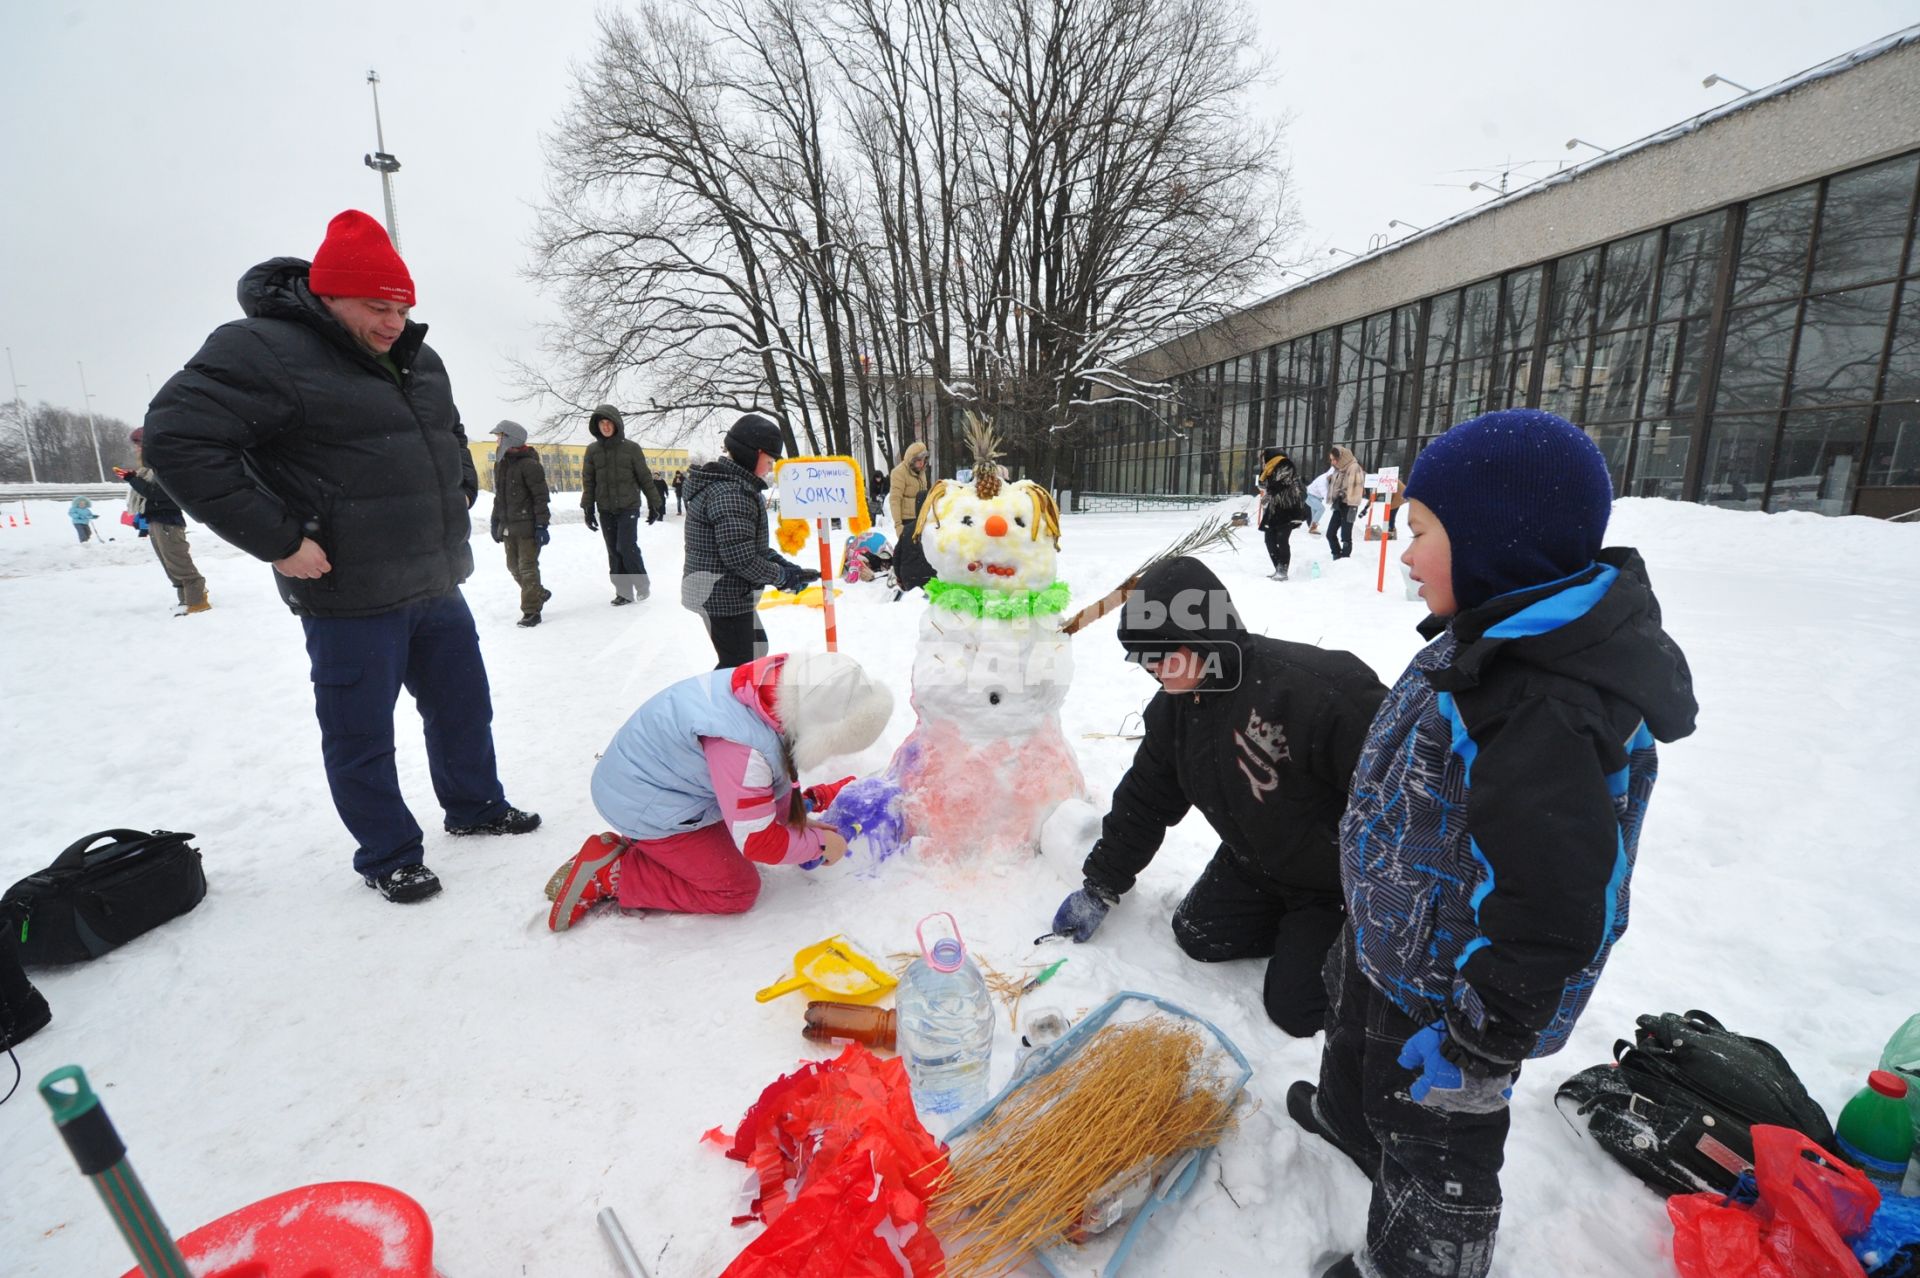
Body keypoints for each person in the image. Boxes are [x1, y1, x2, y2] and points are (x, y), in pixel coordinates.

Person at [1293, 409, 1697, 1278]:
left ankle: (1423, 1258)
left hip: (1461, 985)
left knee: (1438, 1134)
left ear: (1493, 545)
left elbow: (1554, 900)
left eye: (1421, 532)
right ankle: (1348, 1123)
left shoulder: (1539, 703)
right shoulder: (1491, 635)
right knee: (1357, 1037)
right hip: (1398, 939)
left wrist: (1485, 1032)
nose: (1404, 554)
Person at [142, 209, 540, 905]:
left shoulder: (419, 357)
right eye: (375, 307)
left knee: (463, 708)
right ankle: (390, 851)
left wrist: (460, 491)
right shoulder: (263, 350)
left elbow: (446, 433)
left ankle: (475, 806)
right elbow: (178, 439)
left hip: (435, 578)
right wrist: (281, 541)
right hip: (347, 590)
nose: (393, 322)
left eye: (402, 307)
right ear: (328, 297)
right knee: (361, 733)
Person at [1047, 556, 1386, 1036]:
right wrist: (1101, 883)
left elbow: (1403, 795)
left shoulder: (1314, 692)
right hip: (1255, 863)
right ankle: (1297, 933)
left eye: (1161, 655)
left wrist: (1381, 899)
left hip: (1332, 883)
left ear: (1204, 637)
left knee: (1296, 1008)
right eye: (1142, 659)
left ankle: (1332, 936)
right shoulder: (1176, 709)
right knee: (1197, 936)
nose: (1152, 670)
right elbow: (1146, 798)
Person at [545, 650, 893, 930]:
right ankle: (613, 873)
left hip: (662, 783)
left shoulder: (775, 692)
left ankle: (661, 852)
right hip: (646, 807)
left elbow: (773, 776)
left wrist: (795, 823)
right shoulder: (742, 748)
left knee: (752, 834)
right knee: (736, 888)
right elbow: (758, 842)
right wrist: (818, 843)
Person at [681, 413, 819, 667]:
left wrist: (789, 570)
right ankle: (720, 705)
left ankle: (733, 699)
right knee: (739, 665)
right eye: (769, 460)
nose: (771, 468)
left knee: (756, 649)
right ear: (752, 454)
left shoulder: (735, 486)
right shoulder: (731, 493)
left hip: (725, 591)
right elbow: (741, 559)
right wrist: (782, 577)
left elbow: (753, 548)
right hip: (720, 595)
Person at [116, 427, 210, 615]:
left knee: (178, 561)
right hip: (156, 520)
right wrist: (133, 477)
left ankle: (198, 600)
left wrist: (132, 479)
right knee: (169, 564)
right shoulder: (150, 469)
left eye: (139, 446)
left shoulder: (167, 466)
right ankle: (186, 600)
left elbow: (155, 493)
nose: (137, 450)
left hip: (168, 521)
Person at [580, 404, 663, 605]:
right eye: (602, 423)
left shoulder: (631, 448)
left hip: (628, 506)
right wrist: (588, 508)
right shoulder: (592, 451)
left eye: (609, 422)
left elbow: (644, 478)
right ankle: (623, 592)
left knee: (626, 546)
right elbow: (588, 481)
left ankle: (642, 585)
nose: (606, 427)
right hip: (605, 508)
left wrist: (654, 504)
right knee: (613, 551)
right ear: (596, 426)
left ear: (616, 424)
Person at [488, 420, 551, 628]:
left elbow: (541, 497)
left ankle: (532, 611)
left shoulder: (530, 465)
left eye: (500, 436)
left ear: (511, 439)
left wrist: (541, 525)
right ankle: (538, 593)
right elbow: (499, 497)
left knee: (527, 568)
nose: (497, 440)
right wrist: (495, 520)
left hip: (527, 528)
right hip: (508, 526)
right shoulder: (501, 464)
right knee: (512, 566)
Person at [1255, 447, 1308, 580]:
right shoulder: (1269, 468)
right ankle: (1278, 567)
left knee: (1282, 539)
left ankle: (1283, 570)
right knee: (1269, 540)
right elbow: (1263, 484)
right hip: (1274, 509)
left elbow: (1283, 483)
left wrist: (1269, 492)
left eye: (1263, 458)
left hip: (1288, 508)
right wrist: (1264, 471)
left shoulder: (1285, 464)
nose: (1262, 461)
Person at [1325, 445, 1366, 560]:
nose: (1333, 462)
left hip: (1350, 505)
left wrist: (1347, 499)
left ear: (1341, 458)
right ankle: (1337, 555)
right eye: (1331, 459)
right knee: (1330, 533)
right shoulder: (1339, 468)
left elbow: (1356, 489)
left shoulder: (1354, 467)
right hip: (1339, 504)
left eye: (1334, 459)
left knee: (1346, 536)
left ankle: (1345, 559)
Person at [1305, 464, 1332, 534]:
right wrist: (1333, 502)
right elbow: (1325, 494)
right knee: (1321, 509)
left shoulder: (1328, 479)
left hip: (1316, 497)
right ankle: (1313, 527)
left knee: (1315, 513)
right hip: (1309, 496)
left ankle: (1312, 528)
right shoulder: (1323, 480)